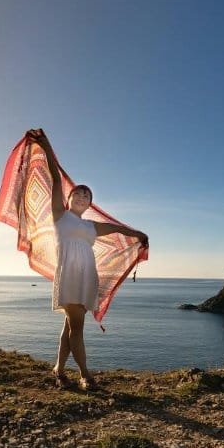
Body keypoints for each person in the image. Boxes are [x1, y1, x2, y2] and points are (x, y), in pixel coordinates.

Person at [27, 128, 148, 391]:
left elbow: (119, 229)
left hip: (86, 277)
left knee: (70, 326)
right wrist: (47, 147)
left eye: (87, 196)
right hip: (69, 276)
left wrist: (138, 234)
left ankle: (58, 370)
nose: (82, 196)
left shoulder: (93, 227)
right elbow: (56, 178)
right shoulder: (61, 216)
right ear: (69, 199)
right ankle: (85, 376)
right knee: (77, 329)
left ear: (90, 204)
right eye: (78, 193)